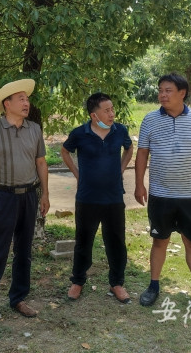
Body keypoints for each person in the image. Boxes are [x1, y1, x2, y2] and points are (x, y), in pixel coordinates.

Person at [0, 79, 50, 332]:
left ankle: (18, 298)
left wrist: (45, 194)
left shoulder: (34, 129)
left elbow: (41, 163)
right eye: (21, 99)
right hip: (3, 197)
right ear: (7, 104)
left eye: (27, 99)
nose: (27, 103)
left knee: (24, 251)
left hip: (29, 195)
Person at [134, 73, 191, 315]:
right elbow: (142, 154)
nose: (162, 94)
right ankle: (153, 286)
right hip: (160, 195)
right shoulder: (150, 119)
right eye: (160, 90)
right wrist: (139, 184)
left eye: (168, 90)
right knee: (160, 241)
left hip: (190, 196)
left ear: (183, 93)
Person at [61, 92, 134, 303]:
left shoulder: (120, 130)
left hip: (113, 197)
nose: (112, 114)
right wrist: (77, 174)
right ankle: (77, 281)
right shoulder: (79, 133)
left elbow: (129, 149)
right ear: (94, 115)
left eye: (112, 109)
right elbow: (65, 151)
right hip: (87, 197)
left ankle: (117, 283)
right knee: (84, 241)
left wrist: (120, 169)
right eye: (107, 110)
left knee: (116, 241)